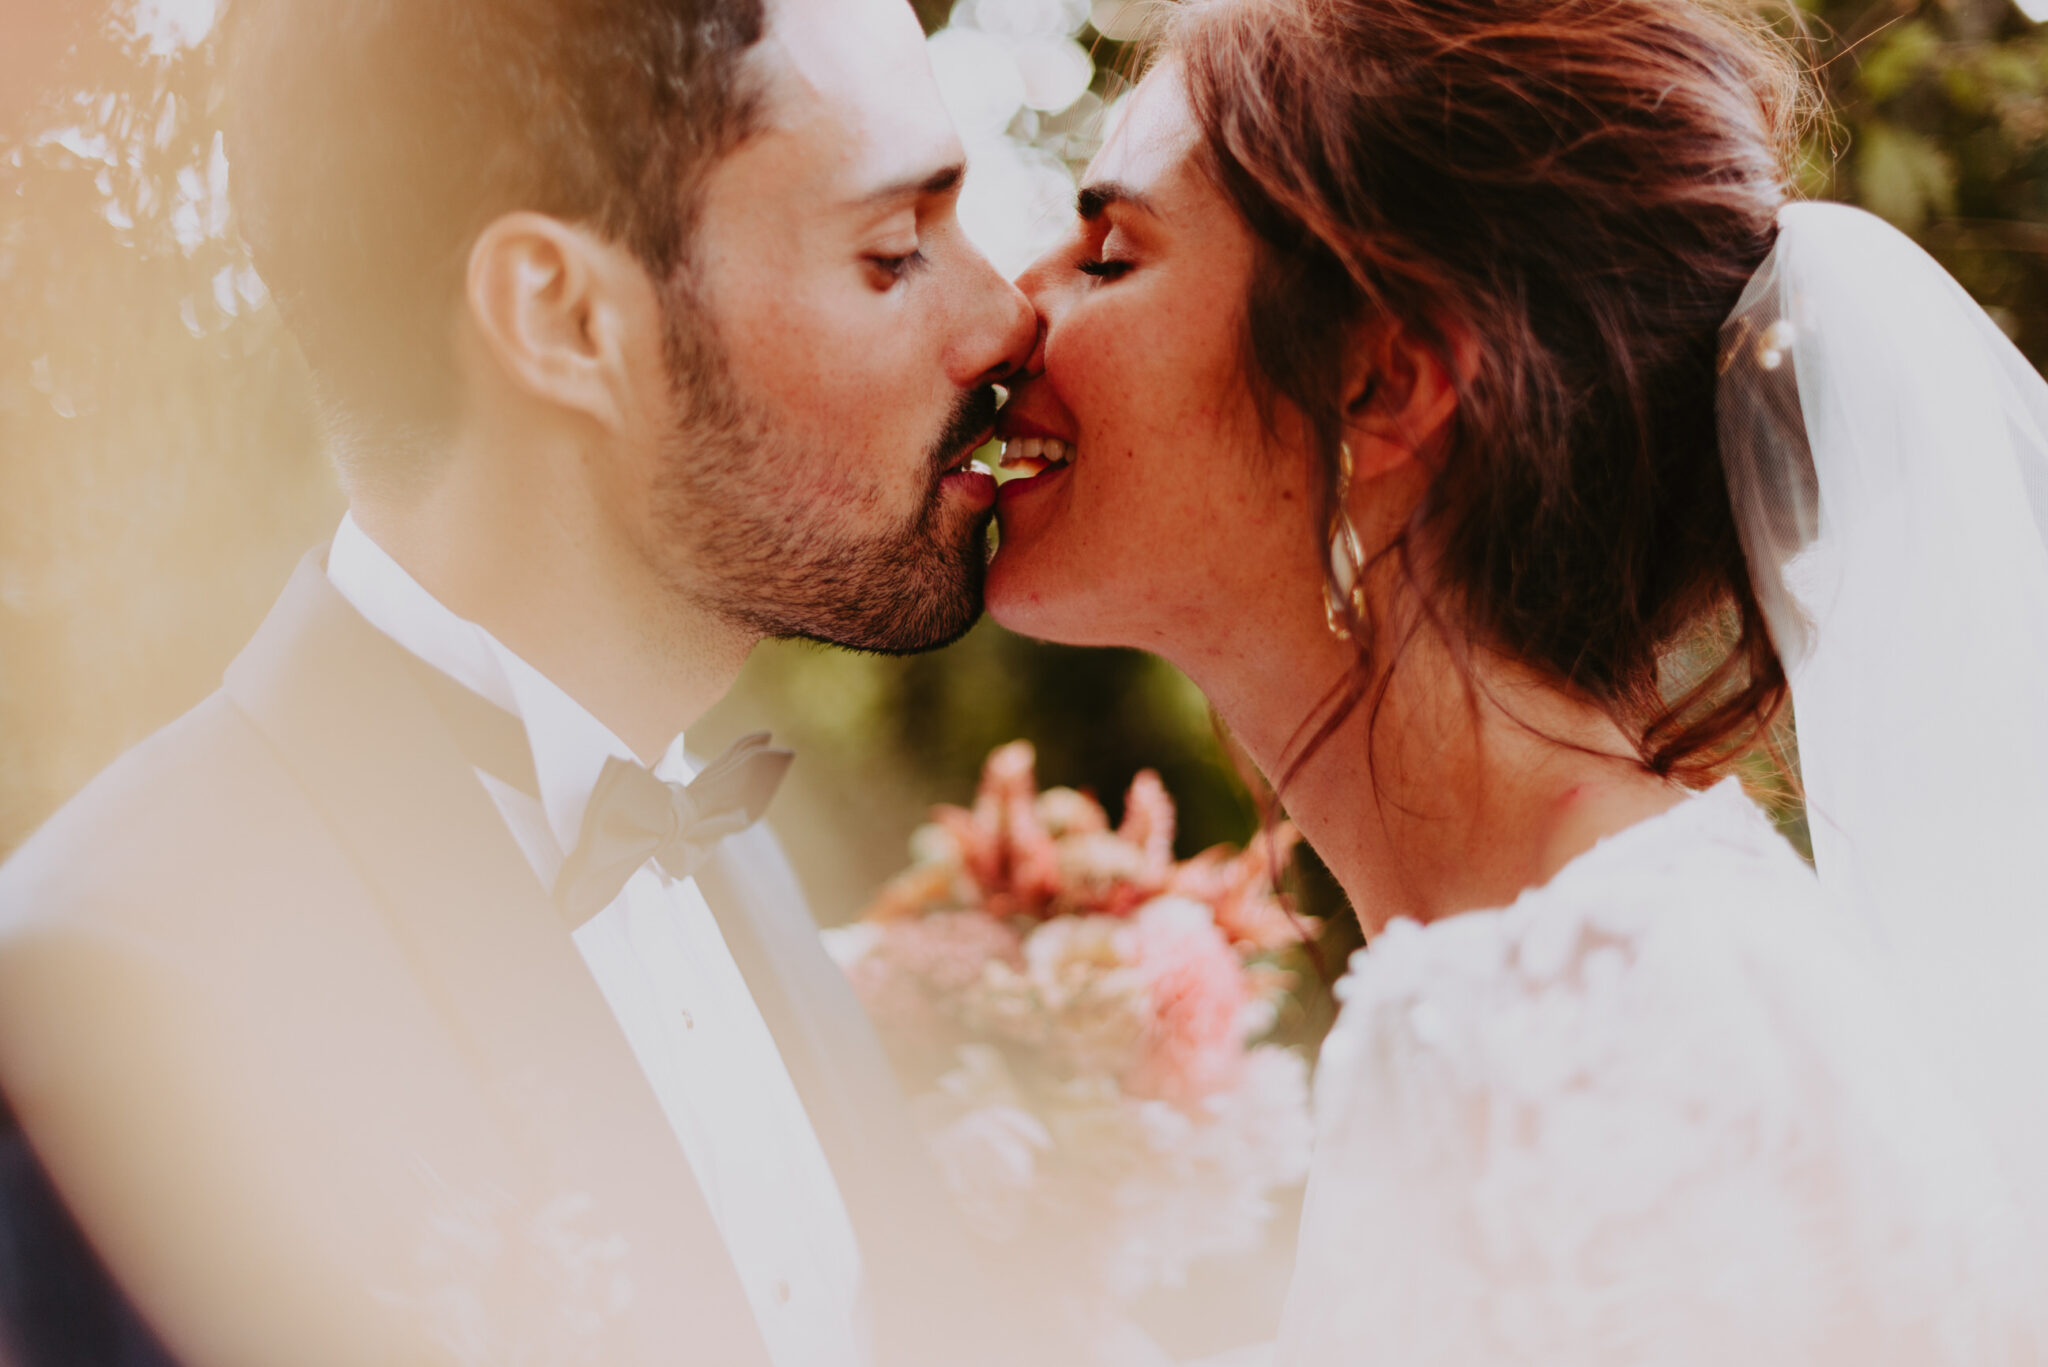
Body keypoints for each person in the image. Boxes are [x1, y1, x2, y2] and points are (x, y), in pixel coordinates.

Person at [989, 0, 2048, 1360]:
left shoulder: (1615, 1019)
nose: (1014, 304)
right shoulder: (1546, 982)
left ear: (1383, 383)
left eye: (1109, 253)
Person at [0, 0, 1036, 1363]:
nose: (1007, 316)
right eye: (894, 251)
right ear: (563, 317)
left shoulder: (733, 861)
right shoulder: (109, 1005)